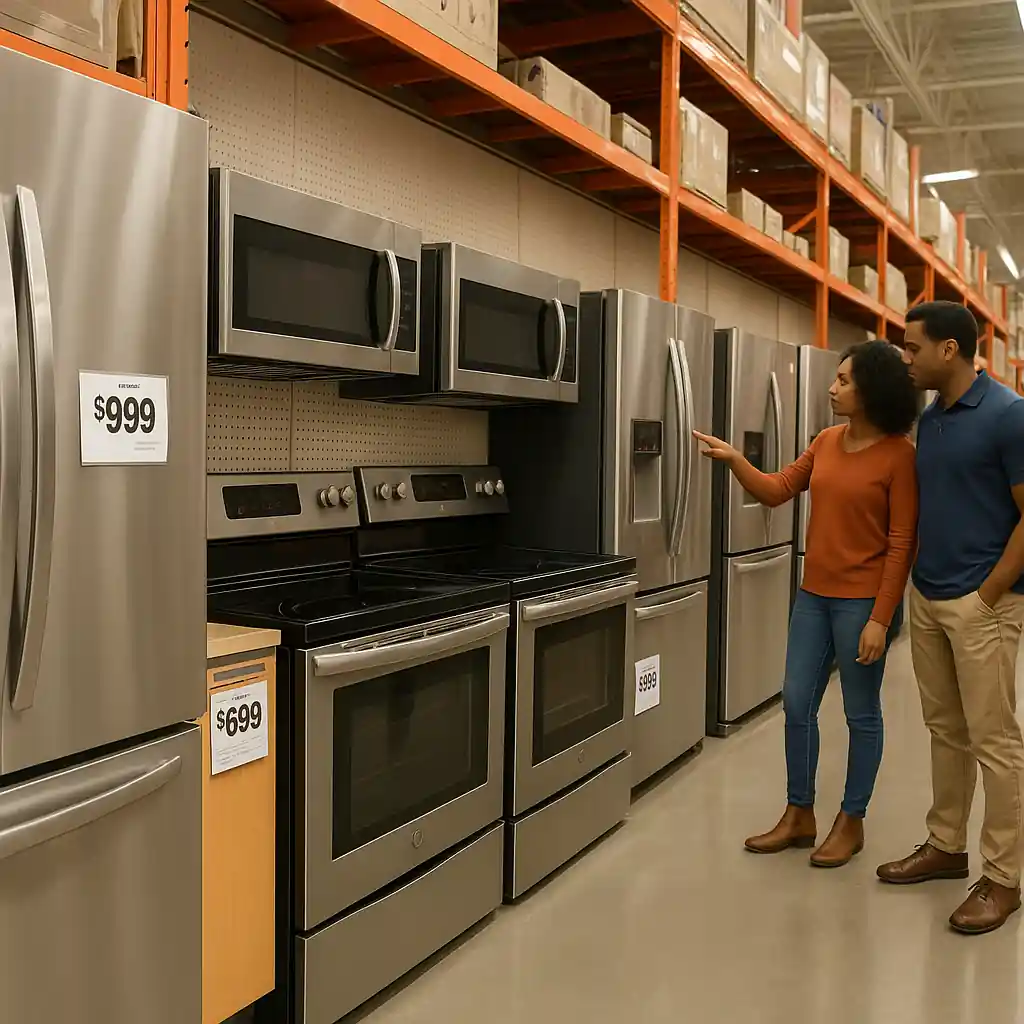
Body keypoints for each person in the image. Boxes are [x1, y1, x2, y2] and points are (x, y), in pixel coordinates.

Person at [695, 341, 918, 867]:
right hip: (813, 597)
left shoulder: (899, 455)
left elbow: (903, 542)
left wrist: (881, 620)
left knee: (861, 714)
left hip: (863, 603)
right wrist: (734, 459)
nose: (832, 388)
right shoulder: (825, 440)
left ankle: (851, 820)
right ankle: (800, 814)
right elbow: (776, 490)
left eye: (843, 380)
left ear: (871, 390)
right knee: (797, 703)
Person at [877, 301, 1024, 935]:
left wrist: (987, 596)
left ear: (949, 351)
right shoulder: (931, 418)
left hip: (981, 603)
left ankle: (1004, 878)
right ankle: (946, 844)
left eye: (912, 348)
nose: (904, 358)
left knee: (995, 742)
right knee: (946, 730)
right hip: (929, 598)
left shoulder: (1009, 415)